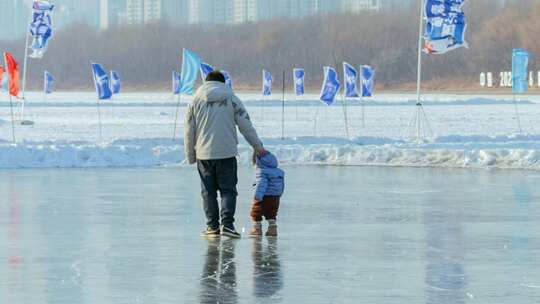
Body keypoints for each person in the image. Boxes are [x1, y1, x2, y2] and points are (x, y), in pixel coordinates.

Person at [184, 71, 265, 239]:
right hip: (226, 153)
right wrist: (257, 146)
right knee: (228, 190)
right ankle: (227, 225)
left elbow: (188, 130)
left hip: (204, 154)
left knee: (208, 192)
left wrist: (190, 155)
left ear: (206, 82)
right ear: (223, 82)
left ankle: (212, 227)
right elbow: (245, 124)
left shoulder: (195, 101)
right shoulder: (232, 98)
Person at [250, 151, 284, 237]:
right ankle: (272, 229)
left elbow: (261, 184)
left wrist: (257, 196)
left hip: (264, 196)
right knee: (272, 213)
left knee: (256, 211)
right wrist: (279, 194)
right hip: (275, 197)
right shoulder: (279, 172)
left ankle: (256, 228)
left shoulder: (262, 171)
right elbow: (282, 184)